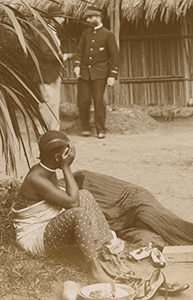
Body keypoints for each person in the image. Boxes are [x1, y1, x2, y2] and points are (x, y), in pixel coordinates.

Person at [11, 131, 117, 283]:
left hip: (47, 223)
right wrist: (66, 167)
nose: (71, 155)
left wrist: (63, 164)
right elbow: (72, 203)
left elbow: (71, 197)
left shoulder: (48, 169)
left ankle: (101, 247)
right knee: (77, 213)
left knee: (84, 194)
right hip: (34, 236)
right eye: (67, 153)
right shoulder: (36, 178)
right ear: (57, 158)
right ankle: (96, 271)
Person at [73, 6, 120, 139]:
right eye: (87, 17)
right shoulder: (86, 33)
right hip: (84, 73)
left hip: (100, 74)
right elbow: (79, 51)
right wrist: (77, 66)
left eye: (90, 17)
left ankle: (100, 129)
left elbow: (115, 57)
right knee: (83, 100)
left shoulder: (108, 34)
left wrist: (112, 75)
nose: (88, 19)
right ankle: (86, 128)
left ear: (98, 17)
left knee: (98, 101)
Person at [31, 5, 72, 131]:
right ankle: (45, 131)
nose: (63, 20)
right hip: (47, 74)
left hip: (53, 73)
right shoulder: (44, 33)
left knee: (53, 104)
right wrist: (63, 56)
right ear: (52, 19)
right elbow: (46, 53)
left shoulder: (52, 33)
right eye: (60, 17)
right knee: (48, 104)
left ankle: (53, 130)